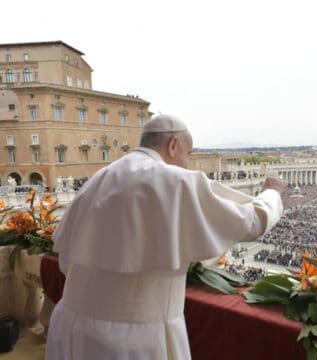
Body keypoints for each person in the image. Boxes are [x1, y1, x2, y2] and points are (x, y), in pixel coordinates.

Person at [45, 114, 285, 360]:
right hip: (133, 339)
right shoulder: (174, 180)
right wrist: (272, 193)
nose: (187, 163)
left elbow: (66, 261)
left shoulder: (100, 177)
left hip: (70, 324)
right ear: (173, 145)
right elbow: (250, 221)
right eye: (188, 154)